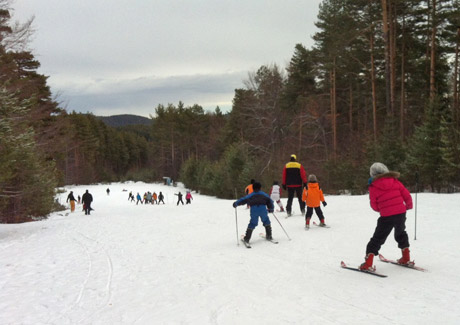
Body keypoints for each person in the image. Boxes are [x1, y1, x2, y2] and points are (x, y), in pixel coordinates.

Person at [359, 162, 413, 271]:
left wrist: (381, 209)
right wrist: (408, 205)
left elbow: (373, 204)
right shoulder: (395, 181)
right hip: (400, 213)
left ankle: (368, 263)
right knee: (401, 233)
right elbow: (406, 194)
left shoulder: (373, 186)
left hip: (386, 216)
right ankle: (406, 257)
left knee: (378, 238)